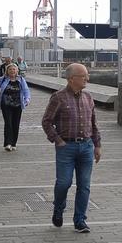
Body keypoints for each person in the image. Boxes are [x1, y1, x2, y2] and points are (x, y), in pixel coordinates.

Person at [41, 63, 102, 233]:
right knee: (63, 183)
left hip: (86, 146)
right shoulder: (58, 97)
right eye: (83, 76)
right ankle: (58, 209)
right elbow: (46, 121)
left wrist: (97, 145)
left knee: (84, 185)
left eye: (86, 75)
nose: (87, 79)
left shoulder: (88, 97)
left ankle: (80, 220)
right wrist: (57, 140)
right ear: (71, 79)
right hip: (66, 147)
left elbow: (94, 123)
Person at [0, 63, 31, 151]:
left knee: (15, 124)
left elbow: (26, 90)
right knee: (8, 123)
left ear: (17, 71)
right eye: (10, 69)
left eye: (14, 69)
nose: (12, 71)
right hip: (6, 104)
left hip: (18, 104)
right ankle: (8, 143)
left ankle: (13, 143)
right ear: (7, 71)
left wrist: (27, 99)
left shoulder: (21, 79)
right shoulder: (3, 79)